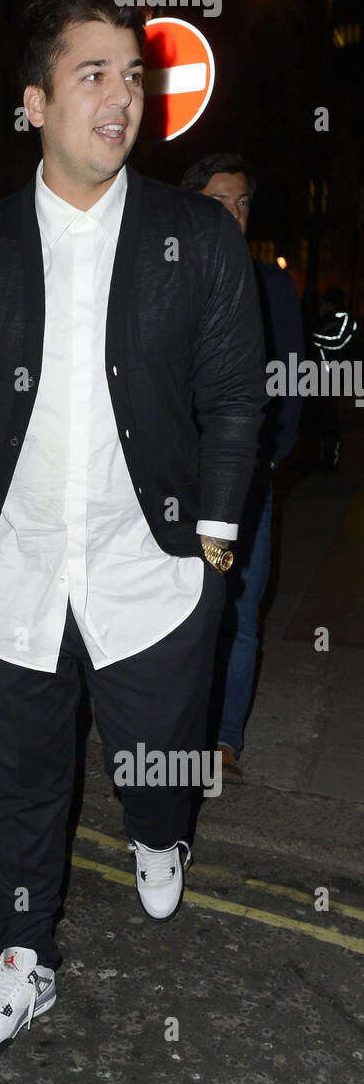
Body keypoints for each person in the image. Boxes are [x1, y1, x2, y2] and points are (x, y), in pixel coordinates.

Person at [0, 0, 265, 1061]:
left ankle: (157, 835)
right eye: (90, 75)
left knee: (154, 758)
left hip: (148, 561)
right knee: (26, 782)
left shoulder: (193, 237)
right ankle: (21, 957)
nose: (118, 97)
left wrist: (214, 541)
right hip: (8, 571)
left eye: (129, 77)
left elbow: (234, 396)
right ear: (33, 104)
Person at [181, 153, 304, 784]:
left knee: (240, 606)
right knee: (182, 605)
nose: (233, 213)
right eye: (218, 200)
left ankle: (223, 742)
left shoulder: (271, 285)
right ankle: (176, 732)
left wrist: (272, 452)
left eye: (243, 202)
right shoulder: (169, 276)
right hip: (180, 479)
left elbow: (290, 374)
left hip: (248, 479)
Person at [303, 286, 358, 471]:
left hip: (331, 377)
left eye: (326, 302)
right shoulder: (321, 320)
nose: (323, 305)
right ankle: (312, 457)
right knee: (314, 418)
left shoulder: (346, 320)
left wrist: (314, 338)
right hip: (315, 376)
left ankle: (329, 459)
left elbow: (338, 342)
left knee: (328, 420)